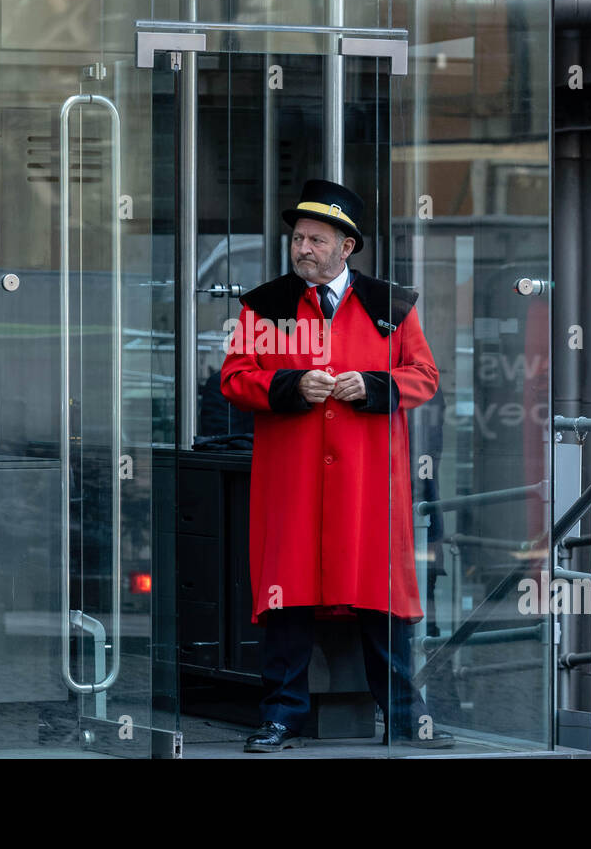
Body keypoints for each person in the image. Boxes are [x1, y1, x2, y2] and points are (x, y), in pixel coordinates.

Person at [220, 178, 453, 751]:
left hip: (369, 484)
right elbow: (233, 377)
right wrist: (290, 384)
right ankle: (280, 717)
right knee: (288, 599)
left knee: (381, 600)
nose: (302, 248)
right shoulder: (265, 305)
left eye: (315, 239)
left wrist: (371, 386)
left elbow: (424, 376)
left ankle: (404, 716)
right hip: (294, 482)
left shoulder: (392, 305)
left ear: (346, 247)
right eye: (298, 238)